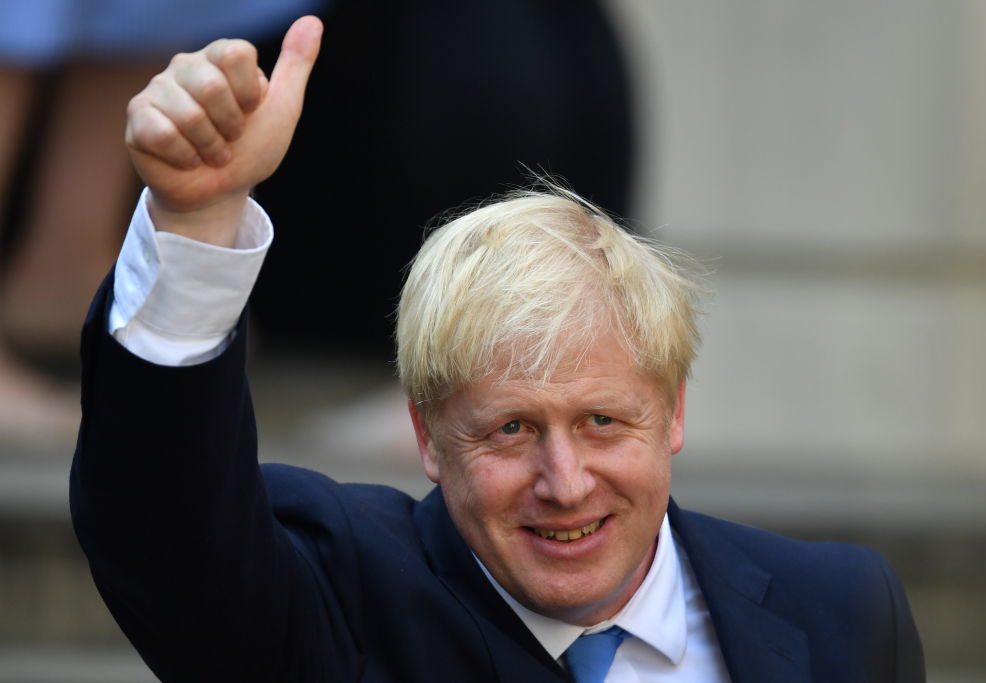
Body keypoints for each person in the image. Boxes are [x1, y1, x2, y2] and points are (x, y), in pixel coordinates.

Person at [70, 16, 925, 683]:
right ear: (429, 436)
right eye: (512, 429)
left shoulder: (840, 613)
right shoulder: (341, 596)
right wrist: (195, 220)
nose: (565, 481)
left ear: (674, 412)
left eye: (601, 420)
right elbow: (164, 534)